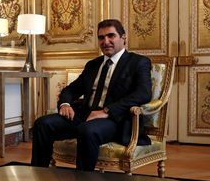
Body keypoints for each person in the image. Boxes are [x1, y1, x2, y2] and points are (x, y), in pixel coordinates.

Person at [31, 19, 152, 171]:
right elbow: (71, 89)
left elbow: (143, 93)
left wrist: (106, 111)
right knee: (42, 124)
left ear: (123, 37)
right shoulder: (93, 65)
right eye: (101, 37)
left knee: (87, 130)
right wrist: (65, 104)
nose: (105, 41)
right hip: (84, 114)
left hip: (115, 120)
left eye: (111, 36)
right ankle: (37, 175)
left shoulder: (138, 62)